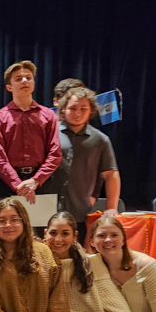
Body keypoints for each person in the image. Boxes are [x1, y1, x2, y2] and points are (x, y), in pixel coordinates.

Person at [0, 61, 62, 203]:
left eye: (28, 78)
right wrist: (17, 184)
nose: (24, 81)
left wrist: (35, 180)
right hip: (8, 184)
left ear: (34, 83)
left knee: (42, 225)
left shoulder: (48, 115)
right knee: (9, 225)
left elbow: (55, 152)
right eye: (18, 79)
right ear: (9, 87)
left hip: (41, 182)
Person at [56, 88, 121, 242]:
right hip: (47, 208)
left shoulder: (100, 140)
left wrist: (111, 207)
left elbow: (111, 174)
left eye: (83, 109)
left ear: (91, 110)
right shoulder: (49, 133)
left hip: (79, 211)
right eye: (72, 108)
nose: (77, 113)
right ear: (63, 109)